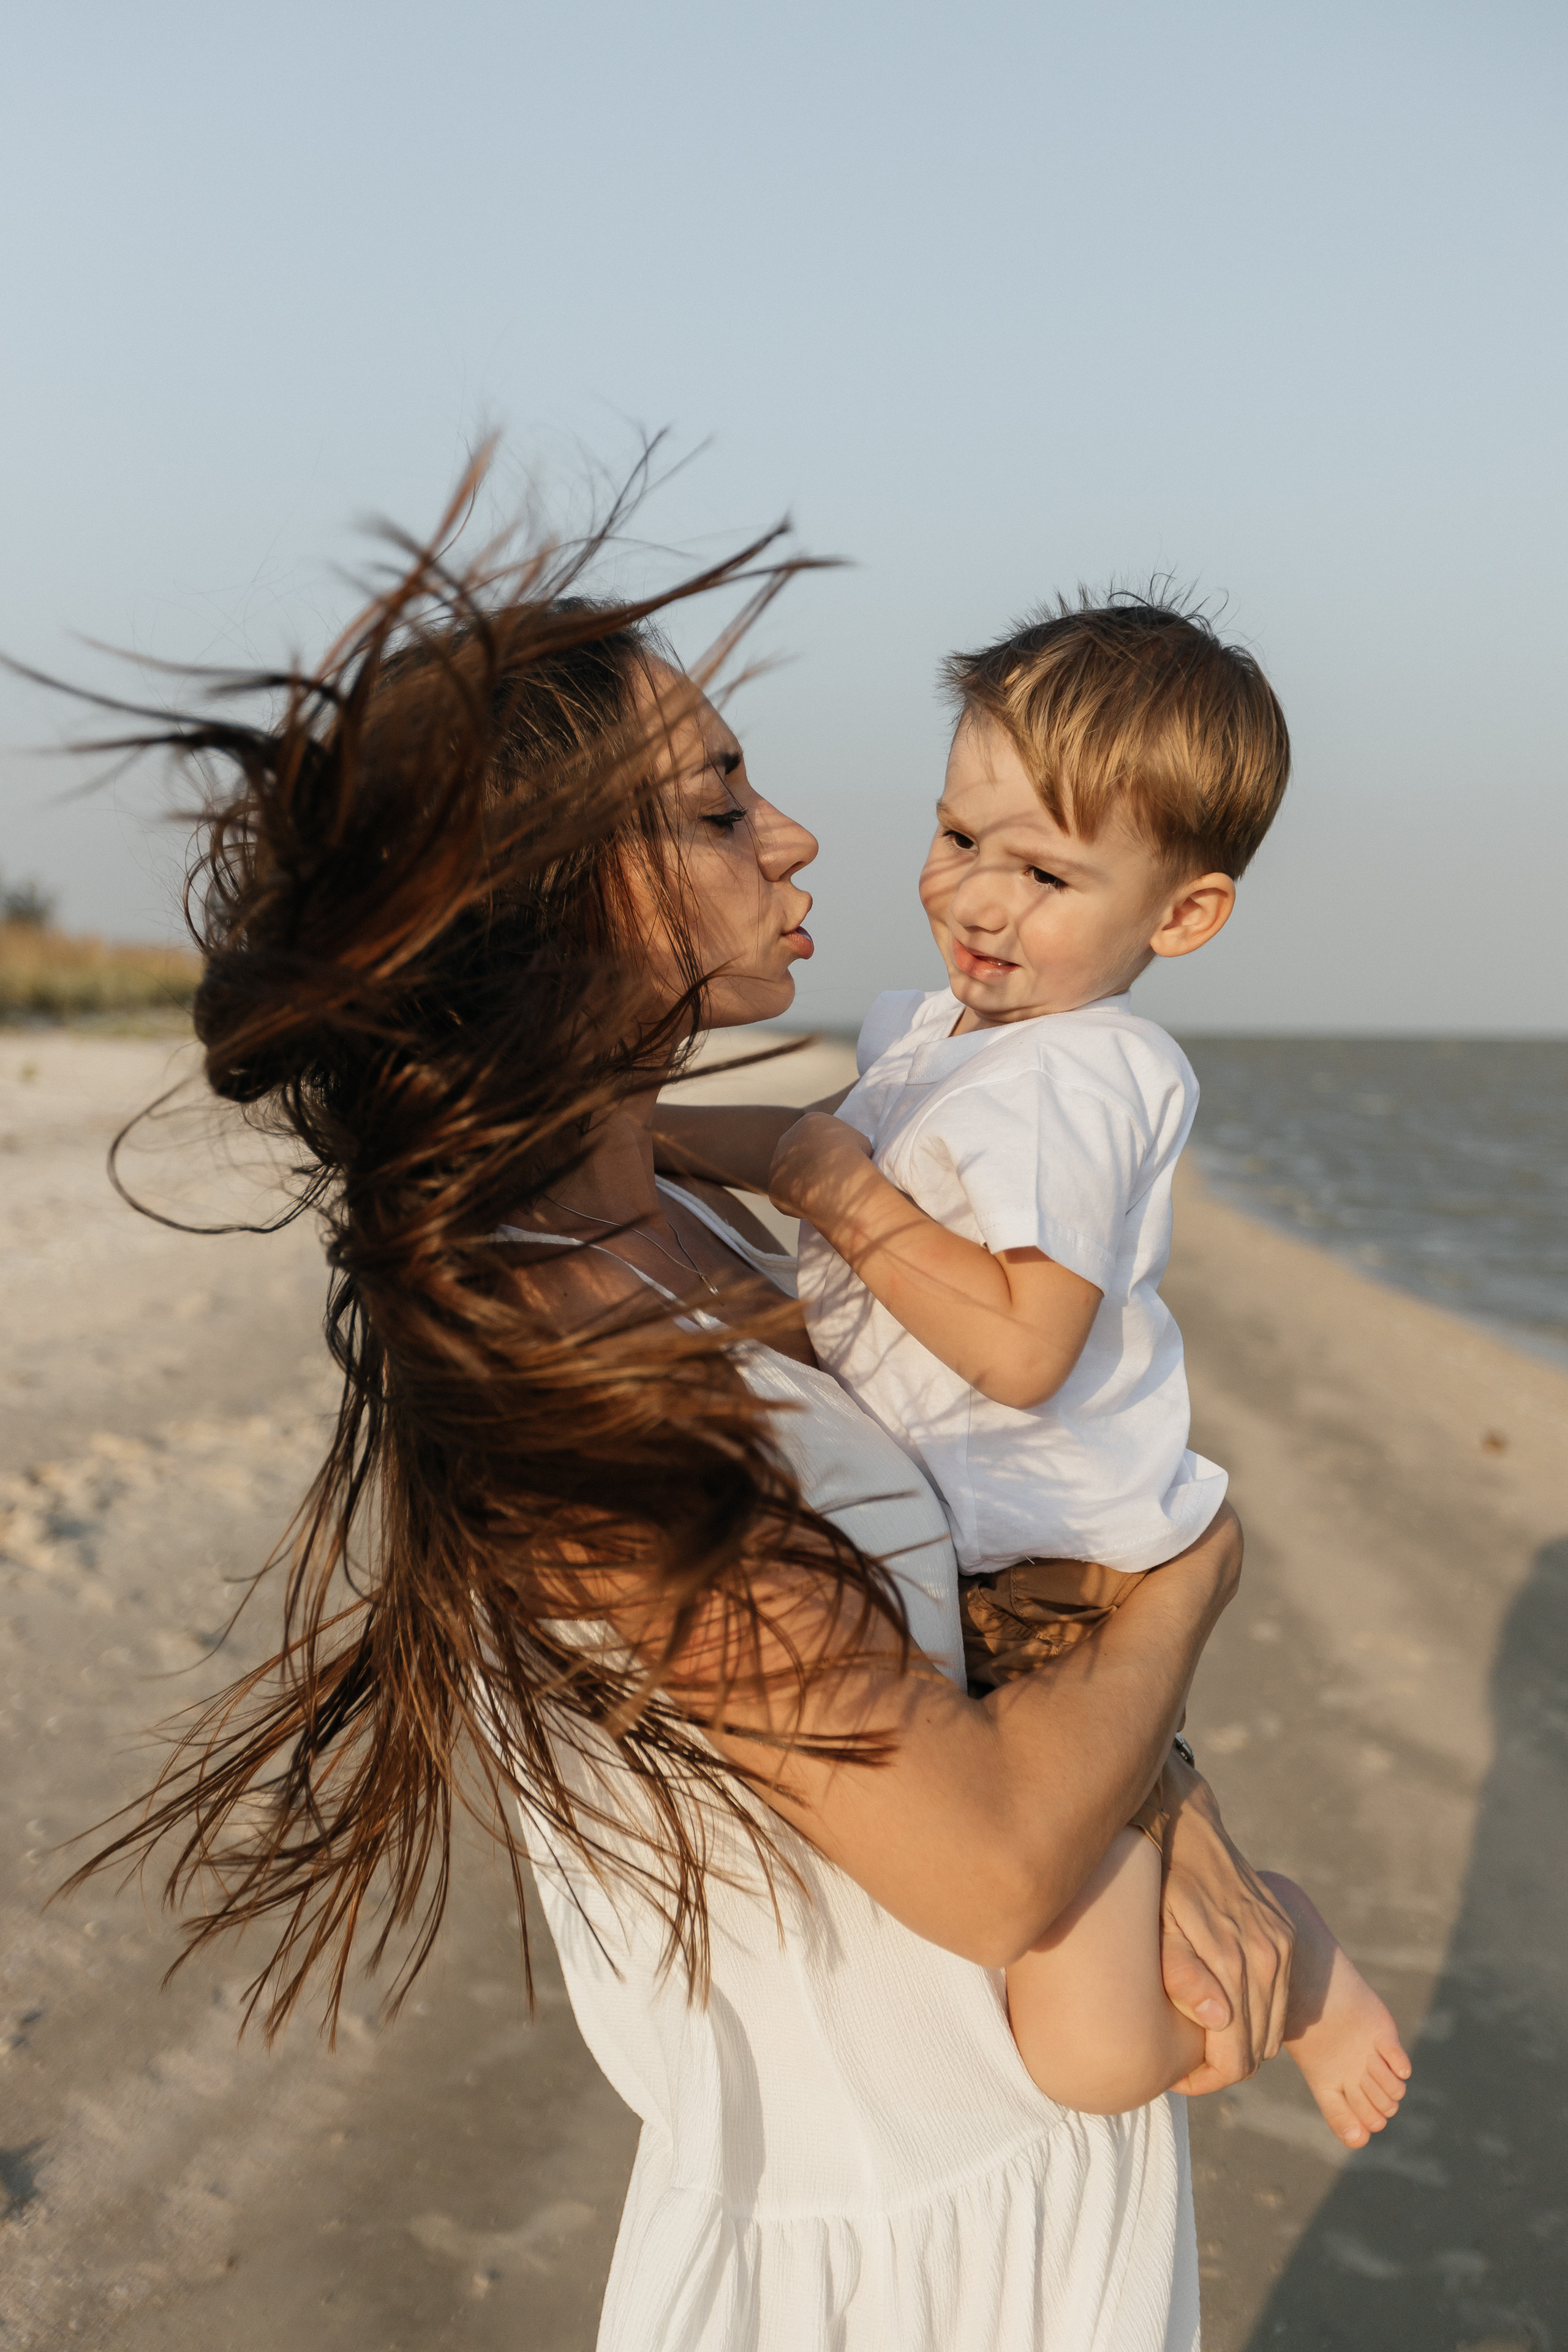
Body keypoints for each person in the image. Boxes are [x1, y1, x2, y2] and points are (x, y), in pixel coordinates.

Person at [73, 487, 1294, 2352]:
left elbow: (946, 1612)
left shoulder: (688, 1221)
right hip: (886, 2256)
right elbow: (979, 1863)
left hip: (1022, 2159)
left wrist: (1169, 1796)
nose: (804, 837)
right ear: (553, 890)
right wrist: (1193, 1579)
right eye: (722, 811)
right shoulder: (544, 1348)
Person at [660, 597, 1411, 2151]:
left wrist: (841, 1198)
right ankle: (1234, 1933)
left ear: (1181, 916)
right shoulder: (950, 1033)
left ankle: (1301, 1948)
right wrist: (657, 1134)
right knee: (1075, 1993)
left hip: (1047, 1582)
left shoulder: (1088, 1072)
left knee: (1089, 2052)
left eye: (1047, 874)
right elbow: (817, 1145)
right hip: (975, 1558)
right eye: (956, 839)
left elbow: (1021, 1342)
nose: (976, 902)